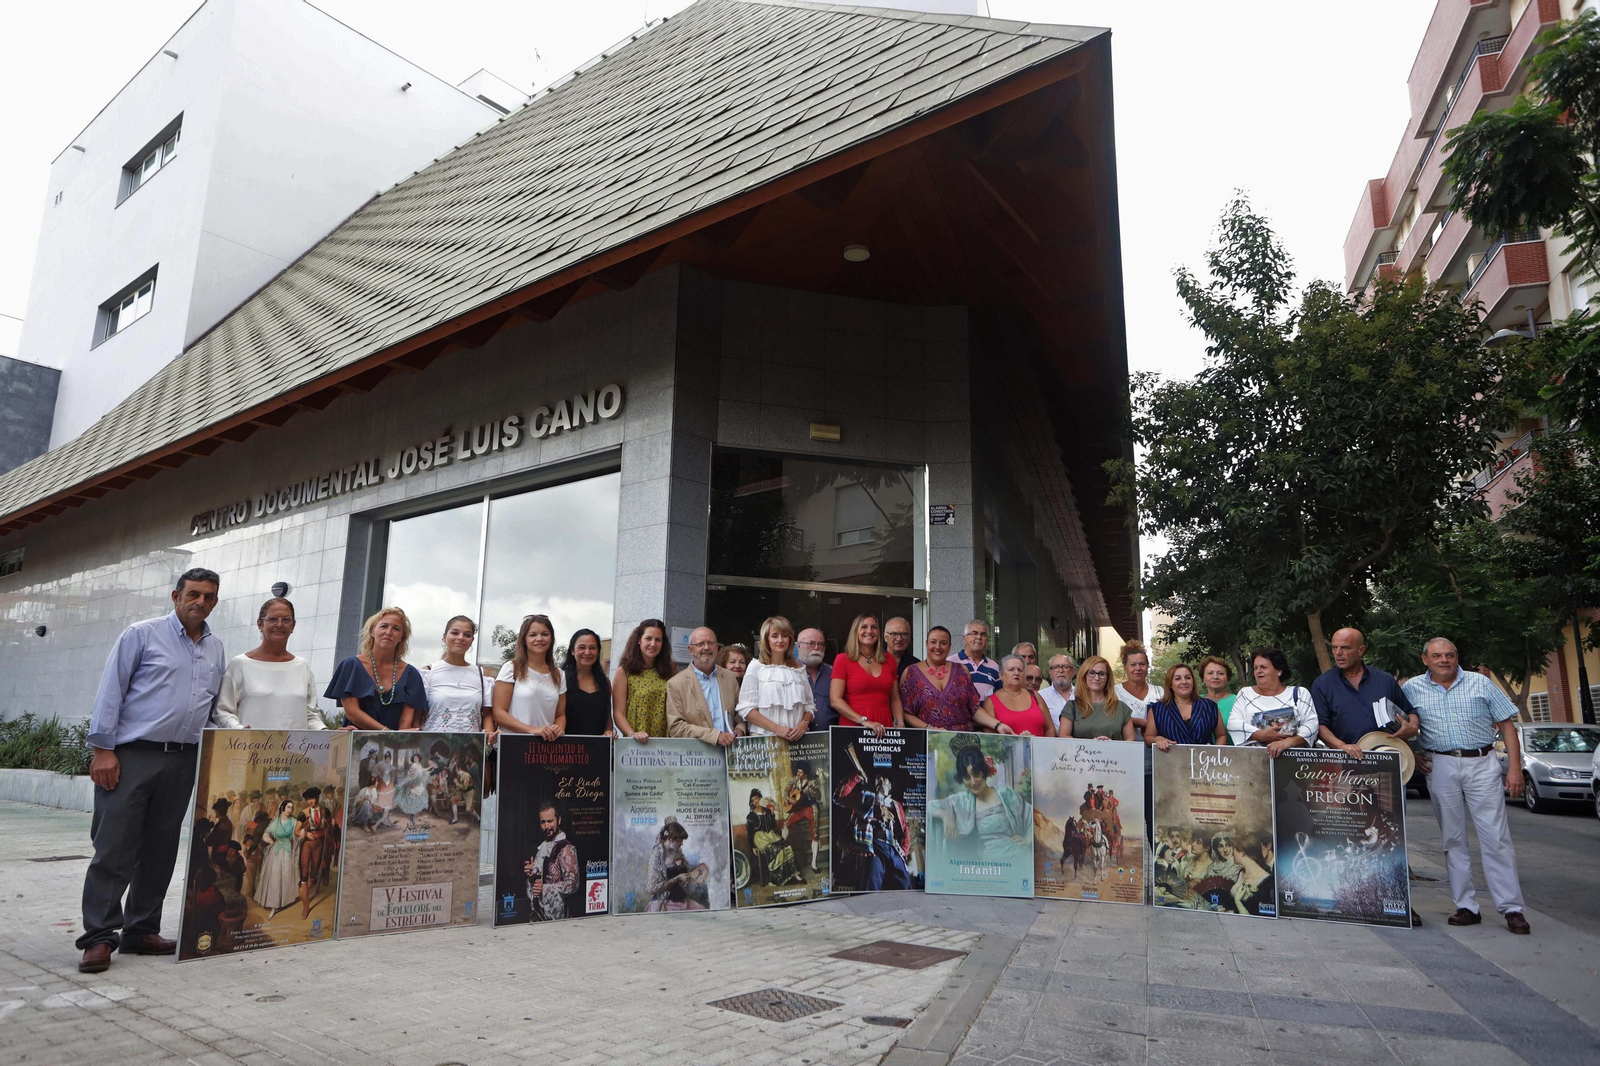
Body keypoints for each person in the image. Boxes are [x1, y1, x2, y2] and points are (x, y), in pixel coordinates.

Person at [79, 568, 227, 974]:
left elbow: (210, 711)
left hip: (183, 760)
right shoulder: (140, 634)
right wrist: (103, 750)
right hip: (132, 756)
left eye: (209, 596)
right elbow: (111, 691)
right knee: (115, 846)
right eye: (193, 593)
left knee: (161, 848)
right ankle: (98, 938)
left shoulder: (215, 648)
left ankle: (141, 930)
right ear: (176, 595)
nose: (201, 601)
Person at [1403, 638, 1530, 934]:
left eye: (1449, 655)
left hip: (1482, 762)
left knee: (1496, 837)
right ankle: (1466, 906)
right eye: (1437, 656)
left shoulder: (1480, 683)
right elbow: (1402, 726)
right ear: (1425, 660)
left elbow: (1507, 725)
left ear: (1457, 657)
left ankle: (1512, 909)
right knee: (1452, 838)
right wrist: (1414, 750)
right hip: (1440, 765)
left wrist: (1514, 769)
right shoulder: (1411, 689)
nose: (1444, 660)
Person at [212, 598, 323, 730]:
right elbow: (223, 712)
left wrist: (330, 734)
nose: (279, 625)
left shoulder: (302, 666)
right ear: (260, 624)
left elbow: (310, 715)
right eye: (273, 619)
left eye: (286, 620)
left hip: (294, 749)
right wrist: (239, 730)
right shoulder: (240, 664)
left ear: (293, 626)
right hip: (251, 747)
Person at [1311, 627, 1420, 755]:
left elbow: (1410, 712)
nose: (1338, 653)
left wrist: (1412, 727)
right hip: (1346, 762)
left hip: (1388, 757)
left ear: (1360, 650)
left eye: (1345, 648)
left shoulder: (1385, 680)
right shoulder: (1323, 684)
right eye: (1334, 647)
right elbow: (1320, 726)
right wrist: (1342, 746)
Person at [325, 607, 429, 730]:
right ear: (372, 631)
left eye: (396, 629)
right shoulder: (351, 665)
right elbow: (352, 712)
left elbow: (406, 721)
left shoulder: (411, 674)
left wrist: (395, 739)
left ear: (402, 637)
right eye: (384, 626)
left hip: (395, 745)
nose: (389, 632)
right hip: (357, 742)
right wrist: (386, 733)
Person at [938, 740, 1032, 866]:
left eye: (976, 775)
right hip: (986, 867)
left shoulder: (1005, 795)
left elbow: (1033, 817)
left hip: (1017, 859)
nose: (973, 782)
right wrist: (945, 815)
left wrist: (1028, 840)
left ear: (984, 772)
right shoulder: (962, 801)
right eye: (967, 777)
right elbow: (932, 807)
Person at [835, 746, 912, 890]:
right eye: (878, 778)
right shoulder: (865, 797)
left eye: (884, 779)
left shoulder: (896, 805)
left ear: (890, 786)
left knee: (903, 883)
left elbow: (905, 829)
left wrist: (904, 849)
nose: (880, 780)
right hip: (872, 846)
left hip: (893, 848)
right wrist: (856, 777)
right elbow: (840, 798)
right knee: (870, 885)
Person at [1226, 647, 1316, 756]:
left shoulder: (1300, 693)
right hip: (1254, 761)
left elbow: (1312, 725)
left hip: (1293, 761)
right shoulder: (1245, 694)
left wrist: (1287, 742)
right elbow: (1233, 723)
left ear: (1279, 670)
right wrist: (1261, 735)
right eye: (1255, 668)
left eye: (1263, 667)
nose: (1258, 671)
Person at [737, 616, 816, 739]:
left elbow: (809, 706)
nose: (780, 640)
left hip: (797, 741)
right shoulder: (756, 667)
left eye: (784, 635)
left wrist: (804, 723)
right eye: (775, 636)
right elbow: (746, 709)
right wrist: (776, 729)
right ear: (766, 639)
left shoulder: (799, 669)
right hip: (765, 740)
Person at [666, 626, 743, 747]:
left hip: (730, 752)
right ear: (690, 650)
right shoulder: (676, 684)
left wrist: (740, 728)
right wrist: (715, 736)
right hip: (698, 756)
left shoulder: (729, 677)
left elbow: (740, 713)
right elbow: (676, 727)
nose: (706, 647)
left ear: (716, 647)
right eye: (700, 644)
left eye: (710, 643)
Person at [494, 614, 567, 740]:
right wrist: (531, 730)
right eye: (533, 635)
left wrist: (559, 727)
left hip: (544, 749)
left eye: (544, 634)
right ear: (524, 639)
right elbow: (499, 713)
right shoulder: (511, 668)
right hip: (512, 745)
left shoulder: (559, 674)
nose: (539, 639)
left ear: (551, 639)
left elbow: (560, 715)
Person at [831, 613, 905, 736]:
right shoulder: (842, 660)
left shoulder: (889, 660)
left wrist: (900, 722)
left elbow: (895, 698)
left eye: (874, 627)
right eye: (864, 627)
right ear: (855, 631)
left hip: (884, 726)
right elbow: (835, 700)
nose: (869, 631)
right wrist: (864, 721)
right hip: (854, 725)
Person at [422, 616, 494, 733]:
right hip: (433, 746)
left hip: (471, 747)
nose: (461, 638)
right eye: (455, 633)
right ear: (445, 637)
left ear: (472, 640)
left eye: (467, 635)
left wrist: (489, 740)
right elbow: (417, 715)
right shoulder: (428, 673)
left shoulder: (482, 675)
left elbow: (487, 715)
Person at [899, 626, 981, 730]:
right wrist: (929, 728)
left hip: (963, 738)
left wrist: (998, 724)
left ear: (949, 646)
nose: (938, 647)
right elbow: (906, 712)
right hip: (929, 739)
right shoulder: (911, 673)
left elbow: (974, 708)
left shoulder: (962, 670)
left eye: (943, 643)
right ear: (926, 644)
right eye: (933, 642)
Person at [612, 618, 675, 740]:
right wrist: (632, 734)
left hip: (666, 742)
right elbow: (618, 713)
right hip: (636, 743)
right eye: (648, 638)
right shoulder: (624, 671)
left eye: (658, 640)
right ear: (639, 640)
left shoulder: (671, 669)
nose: (653, 644)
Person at [1142, 664, 1226, 750]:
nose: (1184, 682)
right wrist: (1157, 739)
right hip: (1170, 760)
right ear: (1170, 684)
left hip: (1204, 760)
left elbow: (1221, 735)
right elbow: (1148, 737)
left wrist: (1215, 753)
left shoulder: (1210, 706)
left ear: (1193, 682)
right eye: (1178, 678)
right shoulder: (1157, 709)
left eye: (1188, 678)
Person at [524, 802, 581, 921]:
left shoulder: (566, 848)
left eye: (550, 821)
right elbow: (541, 878)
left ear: (559, 820)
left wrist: (544, 888)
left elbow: (573, 884)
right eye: (543, 822)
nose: (546, 826)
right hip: (539, 912)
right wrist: (532, 874)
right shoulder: (543, 847)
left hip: (559, 916)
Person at [977, 655, 1057, 737]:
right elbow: (990, 738)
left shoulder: (1034, 695)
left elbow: (1049, 728)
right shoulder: (991, 701)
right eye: (1011, 669)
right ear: (1001, 675)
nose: (1016, 673)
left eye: (1020, 670)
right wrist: (1018, 741)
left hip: (1039, 749)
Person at [1061, 656, 1138, 741]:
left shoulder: (1122, 708)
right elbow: (1063, 738)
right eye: (1092, 673)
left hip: (1114, 754)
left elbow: (1130, 741)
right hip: (1081, 754)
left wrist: (1114, 746)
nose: (1097, 678)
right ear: (1084, 675)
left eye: (1101, 674)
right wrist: (1092, 746)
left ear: (1107, 678)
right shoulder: (1071, 707)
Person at [646, 818, 708, 911]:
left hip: (682, 901)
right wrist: (677, 878)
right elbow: (652, 888)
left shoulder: (678, 852)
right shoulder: (657, 856)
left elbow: (683, 873)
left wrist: (692, 874)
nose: (681, 844)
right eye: (679, 841)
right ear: (670, 839)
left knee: (704, 910)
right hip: (665, 903)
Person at [745, 791, 804, 887]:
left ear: (760, 798)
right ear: (751, 802)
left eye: (756, 798)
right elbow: (750, 833)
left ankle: (796, 875)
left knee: (786, 846)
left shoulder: (767, 811)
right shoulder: (751, 816)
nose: (755, 801)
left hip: (770, 835)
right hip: (760, 838)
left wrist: (772, 814)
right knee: (775, 849)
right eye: (753, 800)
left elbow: (771, 826)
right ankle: (778, 879)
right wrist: (752, 846)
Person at [562, 629, 613, 736]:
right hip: (566, 747)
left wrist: (608, 731)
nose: (587, 652)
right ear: (572, 651)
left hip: (597, 747)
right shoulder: (561, 679)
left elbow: (607, 716)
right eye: (581, 647)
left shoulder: (605, 682)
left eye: (592, 648)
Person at [253, 799, 299, 915]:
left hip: (288, 851)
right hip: (276, 851)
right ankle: (274, 903)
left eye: (291, 807)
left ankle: (284, 900)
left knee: (286, 875)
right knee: (274, 876)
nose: (290, 809)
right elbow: (265, 834)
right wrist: (271, 842)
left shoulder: (294, 821)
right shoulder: (275, 821)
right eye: (288, 807)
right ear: (282, 808)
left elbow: (298, 834)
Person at [780, 764, 821, 873]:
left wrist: (812, 790)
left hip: (810, 808)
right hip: (798, 808)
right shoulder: (793, 780)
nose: (798, 774)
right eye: (797, 771)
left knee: (815, 834)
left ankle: (814, 863)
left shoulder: (812, 781)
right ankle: (781, 852)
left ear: (805, 774)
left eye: (800, 772)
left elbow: (818, 796)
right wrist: (789, 799)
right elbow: (785, 792)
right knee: (786, 824)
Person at [295, 787, 329, 919]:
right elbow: (296, 831)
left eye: (312, 799)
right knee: (304, 873)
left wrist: (330, 824)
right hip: (307, 844)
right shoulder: (303, 813)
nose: (310, 802)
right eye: (308, 799)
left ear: (317, 799)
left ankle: (307, 890)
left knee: (314, 873)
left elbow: (330, 828)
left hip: (319, 844)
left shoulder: (325, 811)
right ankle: (305, 905)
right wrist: (305, 833)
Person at [1114, 640, 1163, 726]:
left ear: (1147, 666)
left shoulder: (1159, 692)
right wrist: (1140, 722)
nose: (1138, 668)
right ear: (1125, 668)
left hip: (1156, 739)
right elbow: (1110, 717)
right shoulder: (1114, 692)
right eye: (1133, 664)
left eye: (1142, 664)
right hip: (1126, 739)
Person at [796, 628, 835, 729]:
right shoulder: (789, 673)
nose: (816, 647)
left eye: (821, 644)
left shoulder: (834, 673)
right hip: (797, 739)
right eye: (811, 643)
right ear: (799, 646)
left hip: (830, 737)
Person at [954, 620, 1001, 701]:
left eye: (983, 634)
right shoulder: (951, 662)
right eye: (974, 633)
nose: (979, 637)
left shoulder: (994, 666)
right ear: (965, 639)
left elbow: (999, 696)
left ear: (987, 641)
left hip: (986, 713)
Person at [1197, 655, 1236, 742]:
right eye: (1210, 673)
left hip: (1233, 754)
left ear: (1228, 679)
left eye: (1220, 673)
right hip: (1200, 754)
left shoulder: (1238, 701)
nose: (1215, 677)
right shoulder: (1195, 702)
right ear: (1203, 678)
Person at [1040, 654, 1078, 732]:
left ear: (1073, 672)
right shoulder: (1041, 696)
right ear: (1050, 673)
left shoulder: (1083, 694)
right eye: (1056, 667)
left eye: (1065, 667)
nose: (1060, 671)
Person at [395, 754, 432, 828]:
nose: (415, 758)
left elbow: (422, 771)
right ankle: (412, 816)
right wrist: (411, 781)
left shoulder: (419, 765)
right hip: (413, 783)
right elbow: (410, 774)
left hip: (418, 783)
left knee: (417, 799)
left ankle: (413, 815)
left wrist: (430, 768)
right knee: (412, 799)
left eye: (416, 757)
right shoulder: (414, 765)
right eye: (414, 757)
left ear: (419, 758)